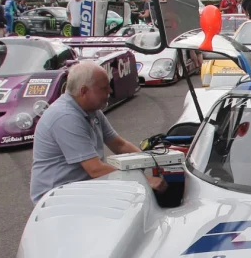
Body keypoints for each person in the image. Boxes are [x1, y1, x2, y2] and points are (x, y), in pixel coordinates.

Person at [30, 61, 168, 202]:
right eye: (104, 88)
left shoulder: (92, 110)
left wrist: (153, 163)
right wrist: (144, 181)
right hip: (57, 196)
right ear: (84, 91)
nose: (110, 91)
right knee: (133, 205)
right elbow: (95, 169)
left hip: (81, 187)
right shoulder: (65, 117)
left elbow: (119, 145)